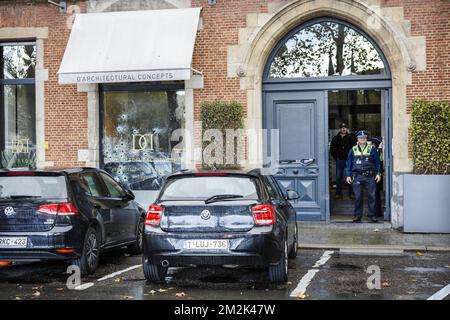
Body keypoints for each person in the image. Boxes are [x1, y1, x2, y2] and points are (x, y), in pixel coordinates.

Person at [345, 130, 381, 223]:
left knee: (372, 197)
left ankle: (372, 215)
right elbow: (348, 163)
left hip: (370, 177)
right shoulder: (353, 150)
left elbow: (377, 163)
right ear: (357, 139)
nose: (362, 139)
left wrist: (378, 173)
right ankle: (357, 216)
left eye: (364, 138)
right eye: (360, 138)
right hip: (357, 177)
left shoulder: (372, 149)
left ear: (366, 139)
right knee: (358, 197)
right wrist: (348, 175)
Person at [330, 123, 356, 199]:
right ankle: (338, 193)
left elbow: (354, 149)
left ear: (346, 129)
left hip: (349, 160)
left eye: (345, 127)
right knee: (338, 177)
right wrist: (337, 158)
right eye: (342, 128)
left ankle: (351, 193)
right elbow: (332, 149)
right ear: (340, 129)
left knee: (350, 176)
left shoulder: (350, 137)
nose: (343, 129)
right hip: (340, 160)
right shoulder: (335, 138)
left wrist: (351, 158)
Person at [370, 136, 384, 217]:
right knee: (375, 193)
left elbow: (379, 163)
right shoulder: (378, 152)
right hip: (375, 174)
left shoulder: (377, 152)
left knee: (375, 194)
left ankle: (376, 212)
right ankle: (376, 212)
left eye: (372, 144)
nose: (371, 145)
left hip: (375, 175)